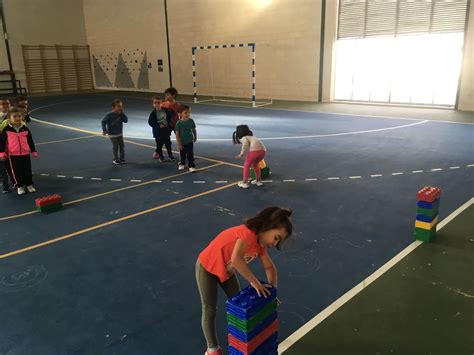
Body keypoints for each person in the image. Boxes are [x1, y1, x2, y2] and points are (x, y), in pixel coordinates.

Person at [196, 207, 293, 355]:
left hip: (226, 271)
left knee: (238, 303)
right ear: (268, 226)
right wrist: (255, 282)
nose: (275, 243)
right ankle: (212, 348)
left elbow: (269, 268)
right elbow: (236, 260)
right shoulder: (246, 234)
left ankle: (242, 336)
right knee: (209, 309)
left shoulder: (260, 245)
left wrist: (272, 292)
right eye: (276, 238)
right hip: (207, 267)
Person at [0, 108, 38, 195]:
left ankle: (29, 184)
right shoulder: (6, 130)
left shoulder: (25, 128)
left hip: (25, 154)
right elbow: (2, 142)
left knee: (27, 170)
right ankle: (19, 186)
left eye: (19, 116)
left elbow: (30, 141)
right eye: (15, 116)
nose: (17, 118)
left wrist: (33, 151)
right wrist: (1, 153)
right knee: (16, 172)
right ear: (9, 118)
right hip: (13, 155)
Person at [233, 124, 266, 189]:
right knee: (255, 164)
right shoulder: (252, 137)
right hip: (263, 151)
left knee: (246, 165)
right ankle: (258, 181)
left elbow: (245, 144)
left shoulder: (244, 137)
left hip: (254, 152)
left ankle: (244, 183)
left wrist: (241, 154)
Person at [148, 95, 175, 162]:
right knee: (159, 145)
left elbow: (170, 115)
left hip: (166, 131)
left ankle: (170, 155)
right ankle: (161, 156)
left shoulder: (166, 110)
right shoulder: (153, 113)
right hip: (158, 132)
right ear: (153, 104)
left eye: (158, 102)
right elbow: (150, 122)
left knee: (168, 144)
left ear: (161, 103)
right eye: (155, 103)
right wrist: (158, 125)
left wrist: (167, 123)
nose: (157, 104)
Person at [101, 99, 128, 165]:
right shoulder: (109, 115)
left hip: (119, 133)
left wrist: (122, 113)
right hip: (112, 134)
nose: (120, 108)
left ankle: (122, 159)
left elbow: (126, 120)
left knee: (122, 145)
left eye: (121, 106)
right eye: (118, 106)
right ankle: (116, 159)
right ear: (113, 107)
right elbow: (103, 121)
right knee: (115, 145)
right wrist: (104, 130)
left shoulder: (121, 114)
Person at [175, 105, 197, 172]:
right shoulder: (179, 123)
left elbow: (193, 129)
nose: (188, 114)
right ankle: (182, 163)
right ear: (180, 114)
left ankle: (191, 166)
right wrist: (179, 143)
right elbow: (177, 134)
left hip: (189, 141)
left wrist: (195, 136)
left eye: (189, 112)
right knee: (182, 154)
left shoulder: (191, 121)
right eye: (185, 113)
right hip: (182, 142)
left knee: (190, 154)